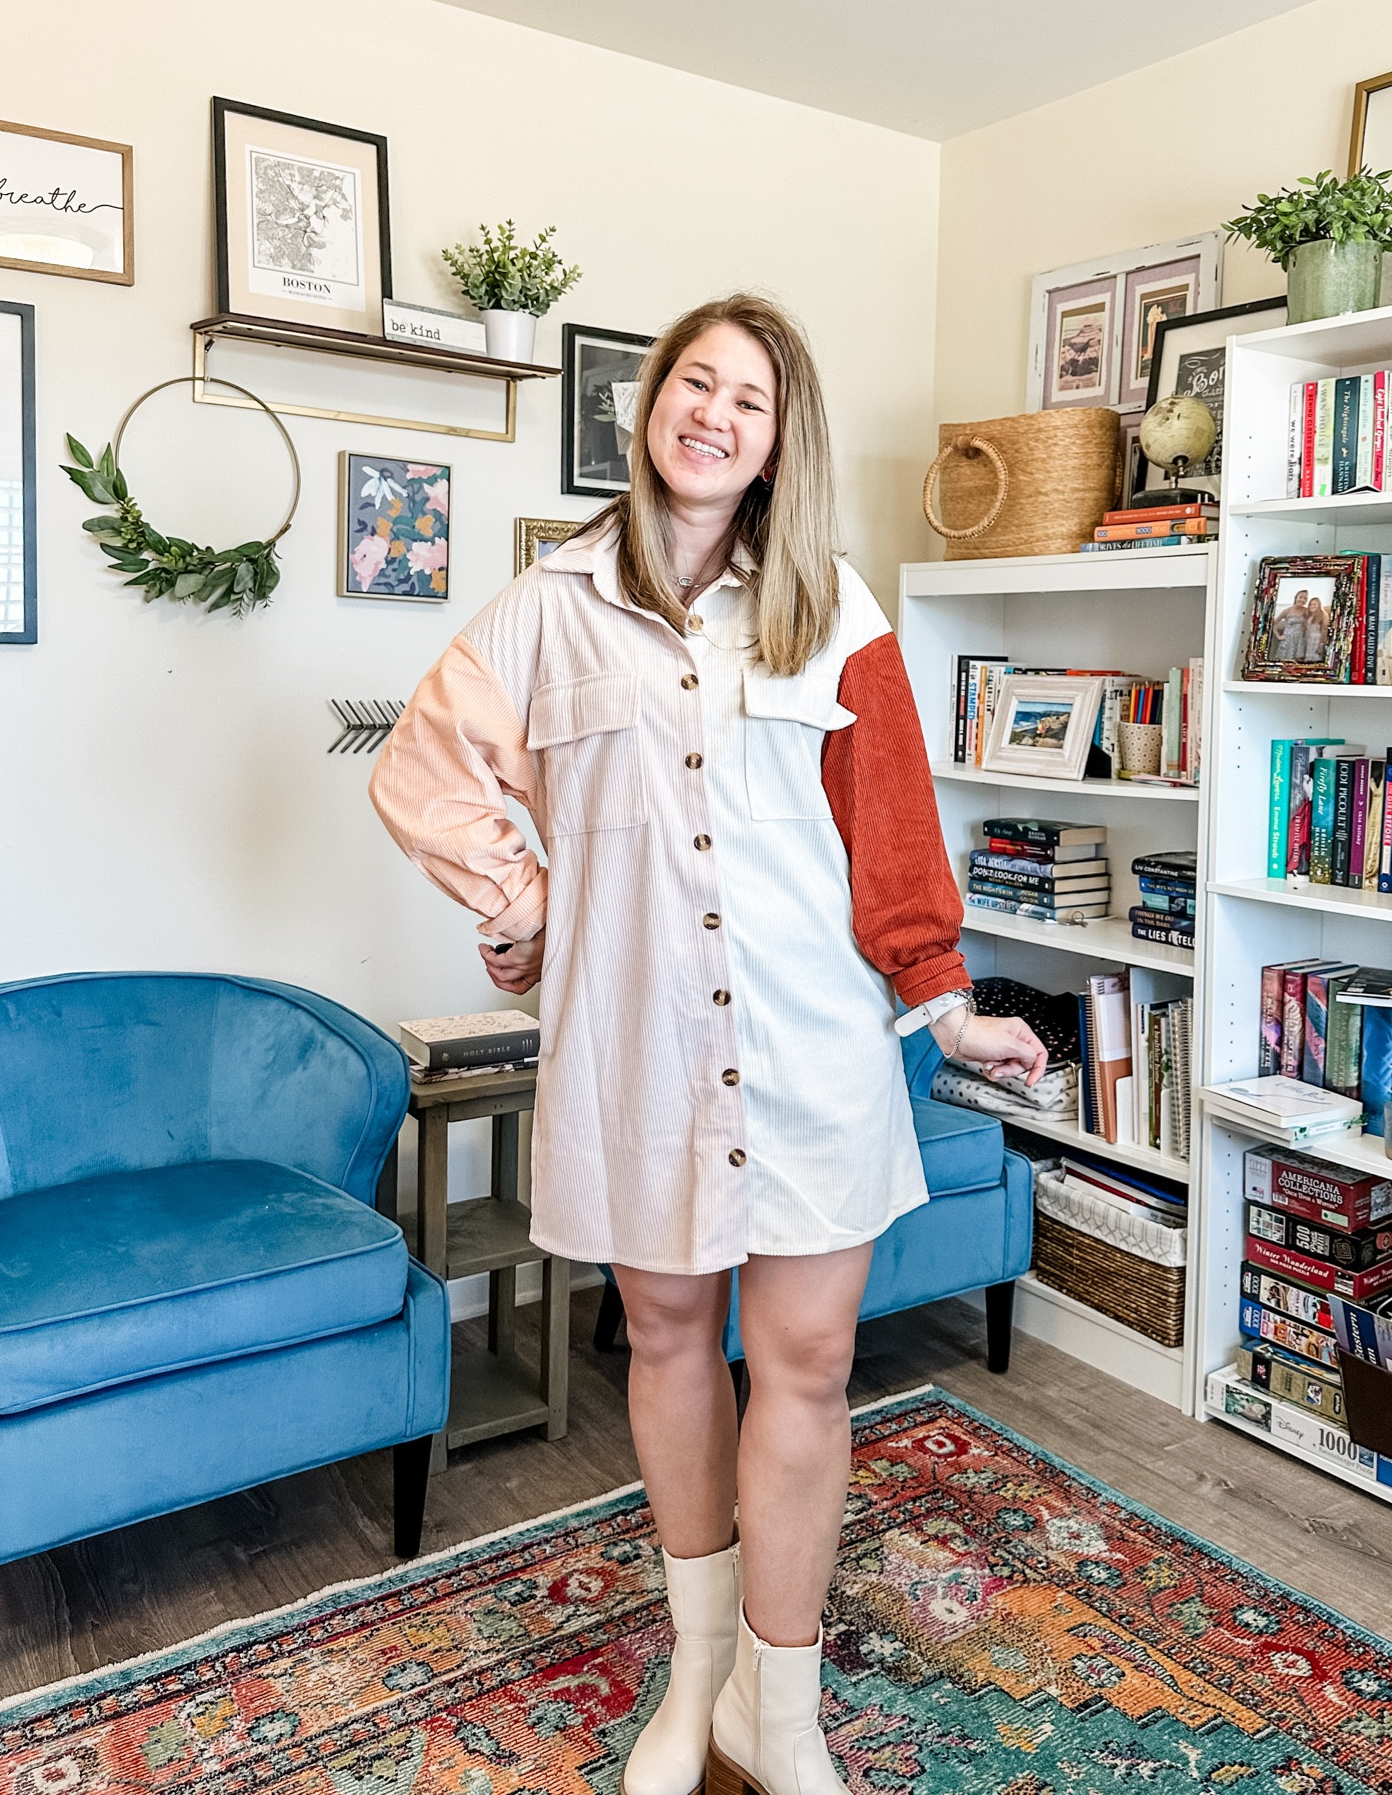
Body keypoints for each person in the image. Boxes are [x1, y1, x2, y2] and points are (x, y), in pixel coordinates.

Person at [370, 293, 1047, 1795]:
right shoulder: (545, 605)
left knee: (803, 1362)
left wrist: (945, 999)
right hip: (638, 1047)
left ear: (774, 439)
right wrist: (527, 900)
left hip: (812, 1042)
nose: (714, 415)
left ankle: (780, 1714)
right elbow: (426, 772)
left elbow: (888, 833)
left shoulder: (834, 605)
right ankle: (699, 1677)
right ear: (648, 405)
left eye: (748, 399)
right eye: (694, 384)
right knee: (669, 1341)